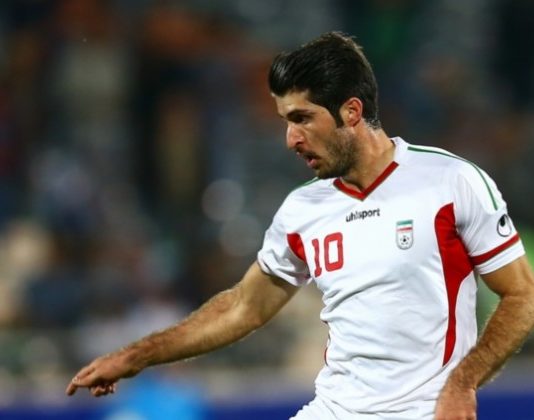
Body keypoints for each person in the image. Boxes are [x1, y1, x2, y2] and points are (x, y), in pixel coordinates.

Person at [66, 32, 534, 420]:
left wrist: (463, 383)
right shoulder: (302, 210)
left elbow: (521, 296)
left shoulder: (450, 182)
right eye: (286, 121)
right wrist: (135, 357)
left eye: (302, 119)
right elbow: (242, 308)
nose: (291, 139)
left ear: (351, 112)